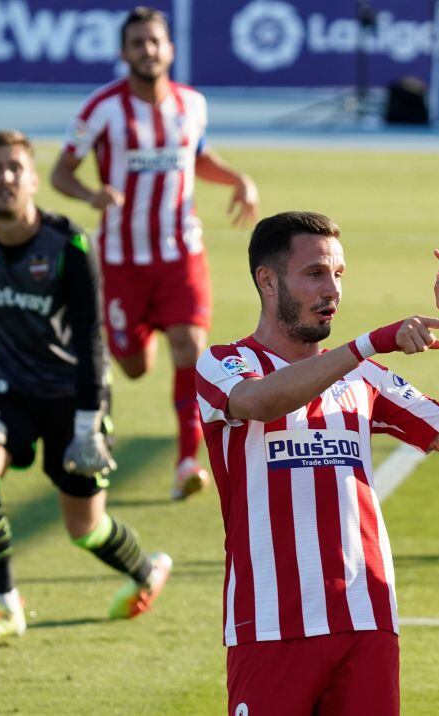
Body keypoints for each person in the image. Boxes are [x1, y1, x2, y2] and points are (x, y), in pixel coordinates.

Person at [194, 211, 439, 715]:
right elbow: (258, 403)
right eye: (315, 273)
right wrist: (368, 344)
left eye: (338, 274)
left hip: (365, 622)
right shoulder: (226, 363)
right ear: (267, 281)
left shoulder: (364, 379)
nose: (331, 289)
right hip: (271, 624)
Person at [0, 130, 171, 644]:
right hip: (9, 388)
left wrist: (86, 425)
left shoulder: (69, 244)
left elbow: (93, 339)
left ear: (33, 179)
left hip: (73, 394)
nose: (4, 177)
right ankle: (5, 606)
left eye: (14, 168)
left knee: (84, 529)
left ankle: (147, 571)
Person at [51, 6, 260, 501]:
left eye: (155, 42)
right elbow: (62, 172)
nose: (148, 50)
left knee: (189, 347)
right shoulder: (101, 109)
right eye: (138, 43)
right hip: (122, 260)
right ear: (124, 53)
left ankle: (188, 459)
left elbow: (199, 157)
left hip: (180, 253)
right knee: (135, 365)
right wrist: (91, 196)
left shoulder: (192, 104)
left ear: (170, 49)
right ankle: (121, 369)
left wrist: (239, 180)